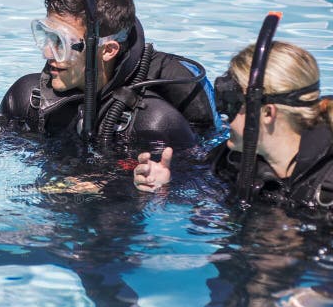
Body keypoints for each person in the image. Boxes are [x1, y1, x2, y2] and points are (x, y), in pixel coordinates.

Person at [0, 0, 219, 151]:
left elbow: (201, 194)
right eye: (45, 36)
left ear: (107, 50)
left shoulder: (154, 124)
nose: (47, 53)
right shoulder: (28, 96)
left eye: (62, 42)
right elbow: (3, 132)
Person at [134, 41, 333, 210]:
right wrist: (162, 185)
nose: (224, 114)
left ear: (267, 113)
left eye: (233, 103)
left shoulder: (327, 179)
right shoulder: (227, 160)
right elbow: (198, 196)